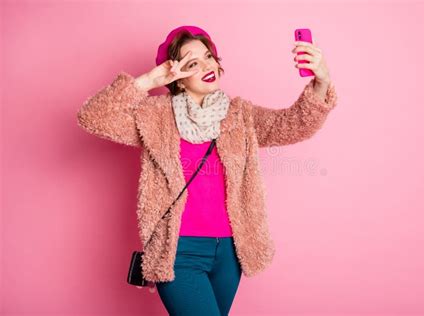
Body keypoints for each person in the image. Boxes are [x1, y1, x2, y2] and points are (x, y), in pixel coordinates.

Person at [77, 25, 338, 316]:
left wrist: (322, 82)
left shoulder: (239, 115)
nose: (206, 65)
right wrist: (150, 79)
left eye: (208, 56)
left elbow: (293, 125)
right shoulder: (156, 116)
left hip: (229, 252)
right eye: (192, 63)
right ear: (178, 78)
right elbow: (94, 117)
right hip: (179, 252)